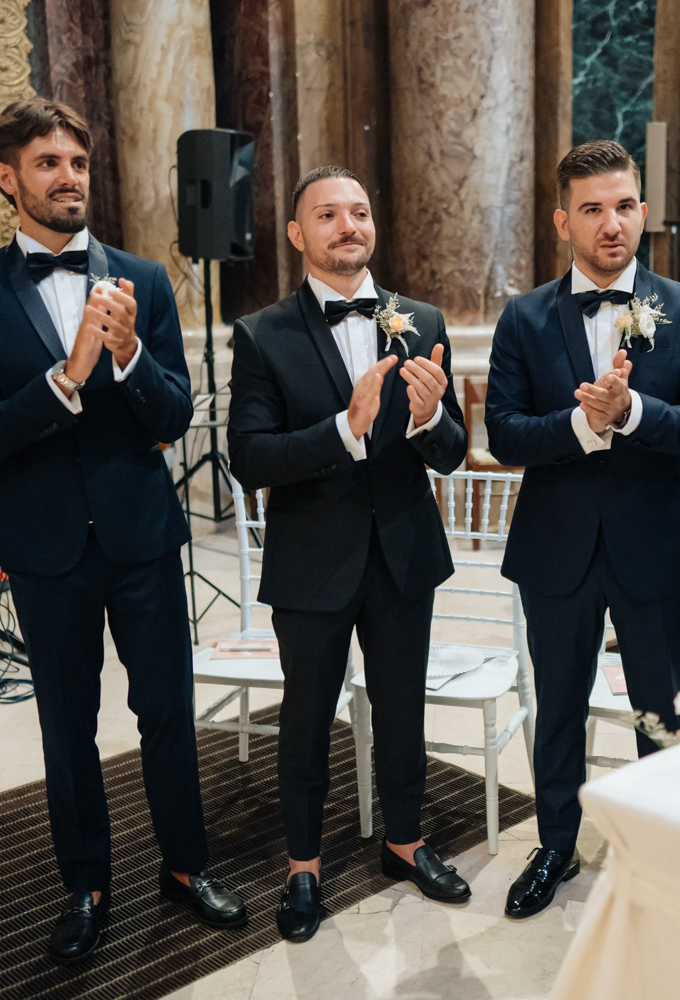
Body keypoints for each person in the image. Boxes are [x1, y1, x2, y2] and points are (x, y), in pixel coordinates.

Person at [0, 97, 246, 964]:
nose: (69, 177)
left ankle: (186, 866)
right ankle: (86, 886)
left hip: (141, 534)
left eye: (77, 162)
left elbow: (177, 412)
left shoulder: (143, 279)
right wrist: (66, 377)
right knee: (66, 724)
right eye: (48, 163)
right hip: (44, 545)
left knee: (169, 711)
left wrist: (129, 358)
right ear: (8, 179)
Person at [227, 166, 471, 943]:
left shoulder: (421, 318)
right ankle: (303, 865)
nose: (348, 225)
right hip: (311, 561)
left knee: (402, 708)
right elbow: (249, 458)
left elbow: (453, 452)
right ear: (298, 234)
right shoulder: (262, 333)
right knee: (305, 718)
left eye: (359, 211)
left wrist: (429, 420)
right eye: (328, 214)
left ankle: (406, 841)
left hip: (403, 554)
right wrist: (343, 429)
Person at [485, 140, 680, 918]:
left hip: (656, 541)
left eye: (624, 206)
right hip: (556, 545)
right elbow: (505, 433)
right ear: (564, 221)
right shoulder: (524, 316)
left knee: (663, 709)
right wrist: (583, 427)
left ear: (643, 212)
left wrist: (633, 413)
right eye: (592, 209)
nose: (611, 223)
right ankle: (556, 843)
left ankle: (658, 855)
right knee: (558, 704)